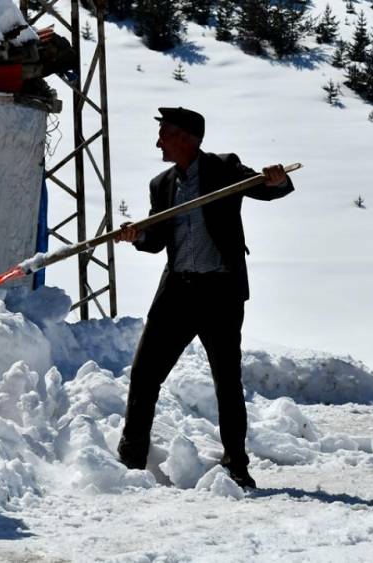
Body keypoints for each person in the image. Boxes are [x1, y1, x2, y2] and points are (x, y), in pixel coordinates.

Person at [114, 107, 294, 489]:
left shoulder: (224, 168)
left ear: (187, 137)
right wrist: (137, 236)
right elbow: (156, 240)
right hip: (177, 290)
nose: (158, 142)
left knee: (226, 380)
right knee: (145, 373)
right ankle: (131, 457)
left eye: (164, 133)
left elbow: (264, 188)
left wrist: (276, 180)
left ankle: (237, 465)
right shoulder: (161, 184)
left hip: (221, 290)